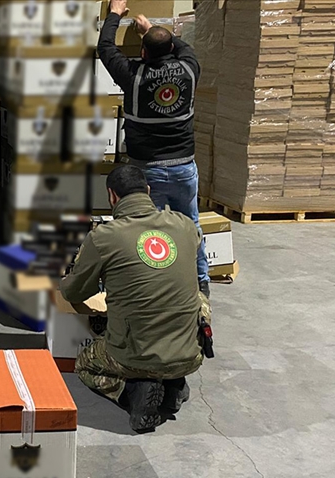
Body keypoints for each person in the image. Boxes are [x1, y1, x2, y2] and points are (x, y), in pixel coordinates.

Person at [60, 165, 207, 433]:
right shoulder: (184, 225)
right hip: (191, 354)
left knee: (85, 364)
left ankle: (133, 392)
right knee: (197, 295)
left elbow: (73, 293)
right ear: (148, 191)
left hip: (134, 356)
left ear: (112, 196)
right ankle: (173, 383)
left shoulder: (103, 237)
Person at [98, 0, 210, 297]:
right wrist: (152, 29)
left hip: (148, 171)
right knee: (191, 225)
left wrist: (114, 14)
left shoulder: (133, 76)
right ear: (171, 48)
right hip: (184, 167)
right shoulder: (189, 69)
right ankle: (201, 281)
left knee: (150, 232)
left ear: (143, 52)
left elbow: (105, 48)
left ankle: (156, 285)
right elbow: (183, 48)